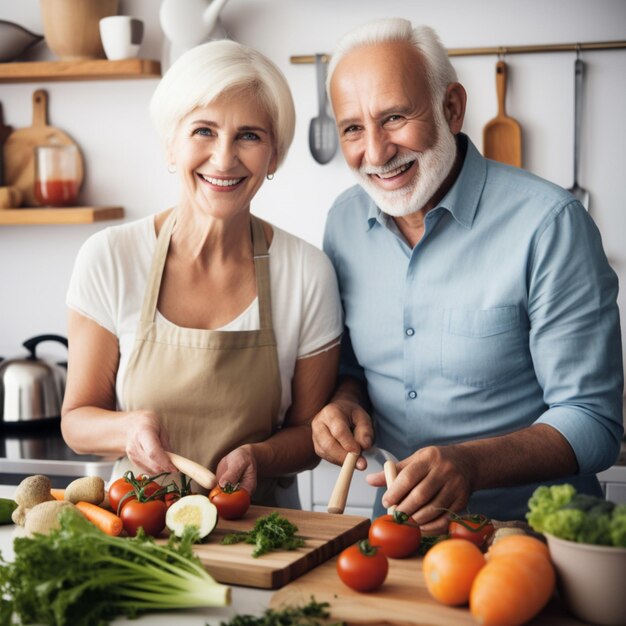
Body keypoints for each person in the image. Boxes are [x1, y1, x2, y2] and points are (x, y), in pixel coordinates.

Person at [311, 17, 623, 531]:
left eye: (394, 118)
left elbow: (594, 420)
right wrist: (344, 403)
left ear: (451, 108)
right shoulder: (343, 222)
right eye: (352, 129)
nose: (377, 151)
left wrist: (470, 465)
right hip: (393, 535)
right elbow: (354, 370)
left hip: (529, 540)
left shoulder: (550, 224)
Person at [61, 39, 343, 507]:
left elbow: (310, 435)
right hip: (136, 527)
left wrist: (261, 455)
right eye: (204, 131)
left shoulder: (307, 273)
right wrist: (127, 428)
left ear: (274, 156)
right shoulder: (110, 257)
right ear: (171, 145)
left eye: (249, 135)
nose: (224, 157)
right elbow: (76, 421)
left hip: (261, 533)